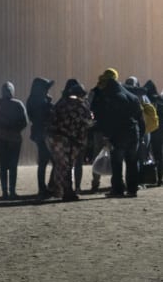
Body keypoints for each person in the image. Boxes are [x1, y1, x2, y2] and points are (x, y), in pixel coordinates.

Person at [90, 68, 145, 198]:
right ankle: (132, 189)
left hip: (118, 135)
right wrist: (140, 134)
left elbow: (106, 119)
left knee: (117, 163)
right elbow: (140, 118)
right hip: (134, 133)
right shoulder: (132, 97)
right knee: (132, 162)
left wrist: (106, 136)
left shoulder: (109, 98)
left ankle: (117, 189)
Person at [48, 79, 94, 201]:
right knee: (68, 166)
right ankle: (68, 192)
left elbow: (53, 119)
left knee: (61, 165)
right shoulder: (82, 106)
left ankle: (59, 190)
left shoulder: (61, 103)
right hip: (72, 140)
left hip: (56, 138)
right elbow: (88, 122)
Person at [0, 82, 28, 199]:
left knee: (3, 165)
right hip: (15, 138)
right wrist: (17, 129)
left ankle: (4, 192)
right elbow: (25, 122)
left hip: (0, 137)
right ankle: (12, 191)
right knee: (13, 165)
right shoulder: (18, 104)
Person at [26, 78, 56, 198]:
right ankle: (47, 187)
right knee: (51, 161)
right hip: (44, 133)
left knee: (43, 162)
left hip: (39, 133)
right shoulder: (39, 101)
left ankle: (44, 187)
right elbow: (46, 114)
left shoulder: (32, 99)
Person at [145, 80, 163, 187]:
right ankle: (160, 177)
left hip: (153, 131)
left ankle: (156, 177)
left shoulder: (148, 101)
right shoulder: (160, 100)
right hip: (160, 131)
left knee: (155, 155)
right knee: (160, 155)